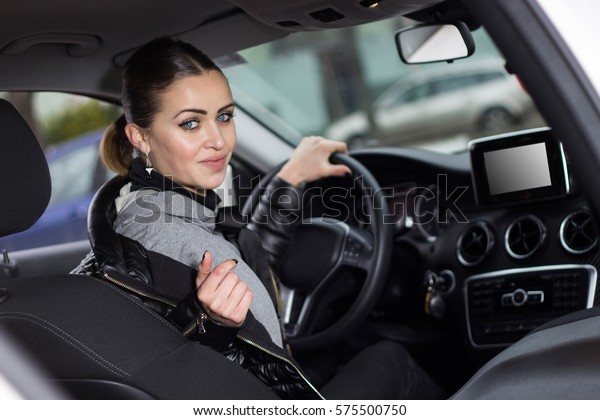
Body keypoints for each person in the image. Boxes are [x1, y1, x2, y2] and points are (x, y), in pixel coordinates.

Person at [73, 37, 443, 400]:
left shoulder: (152, 209)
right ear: (140, 136)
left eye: (224, 116)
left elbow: (238, 259)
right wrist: (212, 327)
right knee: (392, 359)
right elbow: (186, 380)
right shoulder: (166, 236)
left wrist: (290, 179)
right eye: (190, 124)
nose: (218, 140)